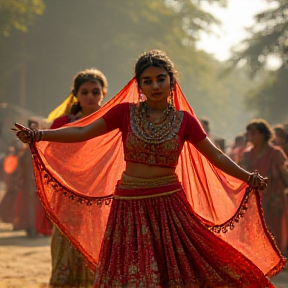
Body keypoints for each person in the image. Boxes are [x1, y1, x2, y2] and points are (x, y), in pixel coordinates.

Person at [14, 50, 285, 288]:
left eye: (160, 79)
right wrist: (40, 136)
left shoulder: (184, 121)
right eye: (147, 81)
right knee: (133, 272)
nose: (154, 85)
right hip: (129, 204)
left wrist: (247, 177)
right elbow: (83, 131)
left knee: (185, 266)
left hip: (169, 205)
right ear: (140, 86)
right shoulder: (124, 113)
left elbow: (215, 154)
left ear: (171, 82)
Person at [42, 68, 108, 288]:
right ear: (76, 94)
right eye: (85, 92)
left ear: (103, 94)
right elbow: (50, 155)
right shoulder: (63, 123)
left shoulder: (112, 120)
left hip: (100, 194)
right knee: (66, 243)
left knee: (96, 242)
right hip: (68, 194)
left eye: (95, 92)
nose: (90, 96)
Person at [240, 119, 288, 257]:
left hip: (274, 197)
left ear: (263, 134)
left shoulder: (276, 153)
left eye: (254, 133)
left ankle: (277, 257)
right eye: (249, 133)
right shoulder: (247, 154)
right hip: (254, 198)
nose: (251, 136)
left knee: (275, 228)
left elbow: (285, 175)